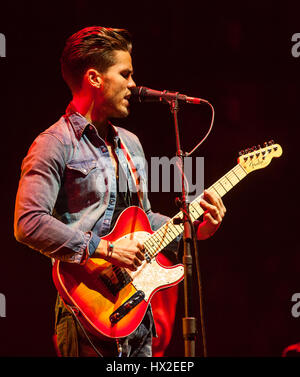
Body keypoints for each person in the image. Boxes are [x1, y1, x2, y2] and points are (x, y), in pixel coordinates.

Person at [14, 26, 226, 357]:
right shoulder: (53, 144)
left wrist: (196, 226)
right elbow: (28, 222)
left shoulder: (130, 144)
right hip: (86, 313)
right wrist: (107, 250)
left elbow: (144, 220)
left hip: (138, 311)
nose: (132, 84)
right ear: (95, 78)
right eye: (124, 74)